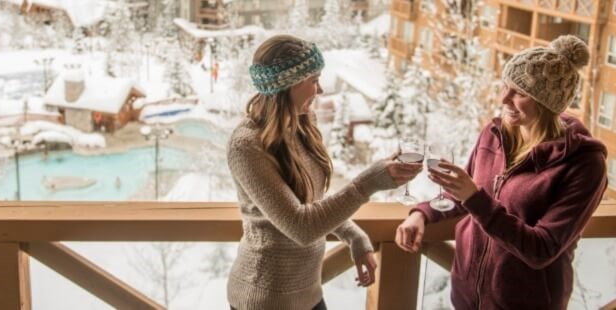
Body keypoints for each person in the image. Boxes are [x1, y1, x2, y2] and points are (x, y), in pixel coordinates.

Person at [395, 35, 607, 310]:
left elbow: (541, 248)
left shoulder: (583, 165)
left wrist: (474, 197)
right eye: (505, 86)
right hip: (467, 297)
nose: (502, 98)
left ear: (547, 103)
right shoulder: (494, 134)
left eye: (519, 92)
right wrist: (421, 214)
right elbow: (465, 195)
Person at [227, 35, 421, 310]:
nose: (319, 90)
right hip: (265, 299)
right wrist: (368, 184)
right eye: (313, 80)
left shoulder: (303, 123)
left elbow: (312, 201)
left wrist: (352, 234)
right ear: (288, 85)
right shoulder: (246, 146)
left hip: (309, 294)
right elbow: (301, 226)